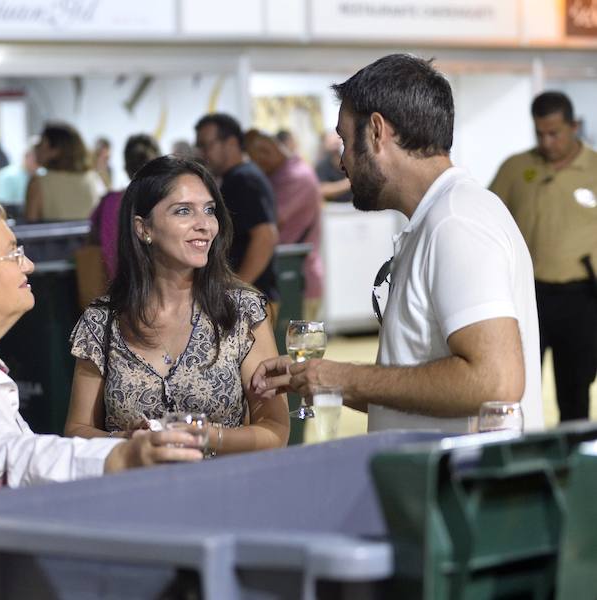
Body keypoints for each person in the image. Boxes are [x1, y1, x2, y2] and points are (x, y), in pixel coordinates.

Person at [252, 54, 544, 433]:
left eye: (344, 140)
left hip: (460, 487)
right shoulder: (443, 217)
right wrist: (314, 377)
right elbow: (419, 384)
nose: (341, 162)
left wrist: (344, 379)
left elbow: (495, 382)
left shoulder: (456, 222)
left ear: (376, 132)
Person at [0, 188, 202, 488]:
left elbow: (20, 453)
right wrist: (122, 456)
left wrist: (122, 445)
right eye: (13, 253)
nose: (30, 265)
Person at [65, 156, 289, 454]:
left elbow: (275, 429)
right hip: (136, 494)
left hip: (224, 492)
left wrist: (209, 438)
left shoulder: (243, 312)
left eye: (209, 210)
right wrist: (125, 441)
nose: (204, 225)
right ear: (143, 228)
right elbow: (76, 431)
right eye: (184, 211)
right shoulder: (101, 322)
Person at [490, 92, 597, 422]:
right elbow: (487, 219)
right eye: (540, 133)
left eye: (555, 133)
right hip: (527, 296)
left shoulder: (593, 168)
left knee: (575, 388)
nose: (547, 142)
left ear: (573, 126)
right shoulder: (516, 168)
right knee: (516, 386)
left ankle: (575, 462)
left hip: (581, 297)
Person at [194, 113, 280, 306]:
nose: (202, 153)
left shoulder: (243, 179)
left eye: (206, 145)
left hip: (252, 300)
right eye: (199, 147)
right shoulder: (241, 177)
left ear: (231, 142)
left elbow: (265, 236)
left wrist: (237, 288)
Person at [245, 128, 324, 320]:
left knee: (296, 347)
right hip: (289, 277)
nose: (255, 163)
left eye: (254, 157)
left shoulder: (295, 176)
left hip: (297, 279)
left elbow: (268, 222)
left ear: (268, 150)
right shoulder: (282, 174)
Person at [89, 133, 161, 279]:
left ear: (126, 167)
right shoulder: (167, 201)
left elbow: (92, 239)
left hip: (114, 288)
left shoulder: (108, 201)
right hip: (159, 286)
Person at [24, 122, 105, 222]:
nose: (36, 148)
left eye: (41, 144)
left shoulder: (38, 183)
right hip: (90, 238)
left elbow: (30, 229)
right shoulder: (93, 178)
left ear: (55, 150)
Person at [0, 136, 40, 208]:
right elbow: (3, 205)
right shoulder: (8, 175)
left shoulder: (43, 174)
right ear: (27, 155)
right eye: (36, 156)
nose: (40, 160)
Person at [315, 130, 354, 203]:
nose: (334, 143)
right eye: (331, 142)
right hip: (333, 209)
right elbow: (322, 190)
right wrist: (349, 182)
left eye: (337, 140)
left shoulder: (351, 161)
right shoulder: (322, 166)